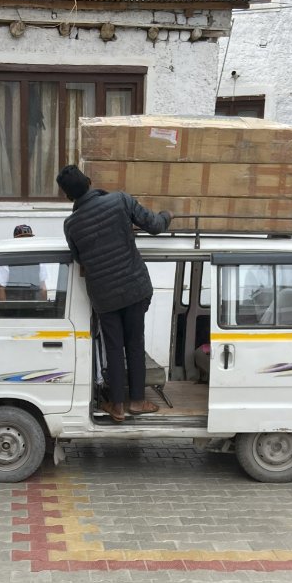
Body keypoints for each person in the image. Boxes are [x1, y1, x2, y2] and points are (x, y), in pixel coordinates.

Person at [55, 164, 172, 423]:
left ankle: (117, 406)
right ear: (88, 180)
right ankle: (138, 402)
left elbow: (78, 259)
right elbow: (155, 225)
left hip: (105, 296)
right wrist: (167, 214)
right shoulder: (120, 200)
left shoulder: (71, 224)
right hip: (134, 288)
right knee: (135, 343)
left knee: (114, 348)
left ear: (67, 196)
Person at [0, 224, 54, 301]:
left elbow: (43, 288)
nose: (26, 240)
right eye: (23, 238)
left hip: (33, 307)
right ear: (15, 240)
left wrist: (43, 308)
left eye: (28, 238)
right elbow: (1, 289)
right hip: (13, 307)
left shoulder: (39, 260)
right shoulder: (6, 260)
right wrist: (4, 310)